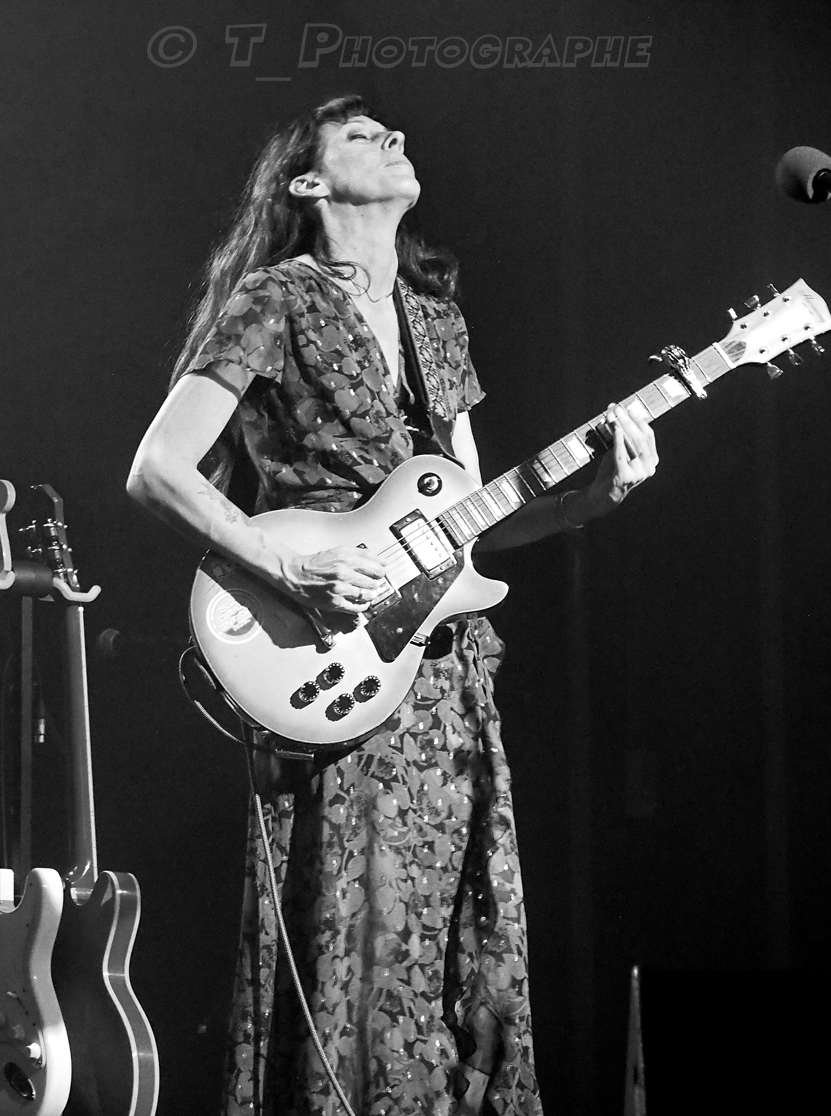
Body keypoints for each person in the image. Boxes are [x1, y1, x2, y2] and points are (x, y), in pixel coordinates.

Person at [127, 94, 658, 1116]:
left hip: (441, 675)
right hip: (327, 657)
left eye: (393, 132)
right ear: (309, 182)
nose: (396, 139)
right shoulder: (276, 299)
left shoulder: (436, 321)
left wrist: (590, 501)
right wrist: (291, 570)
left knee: (450, 945)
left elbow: (471, 523)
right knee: (354, 926)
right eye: (363, 136)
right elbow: (157, 468)